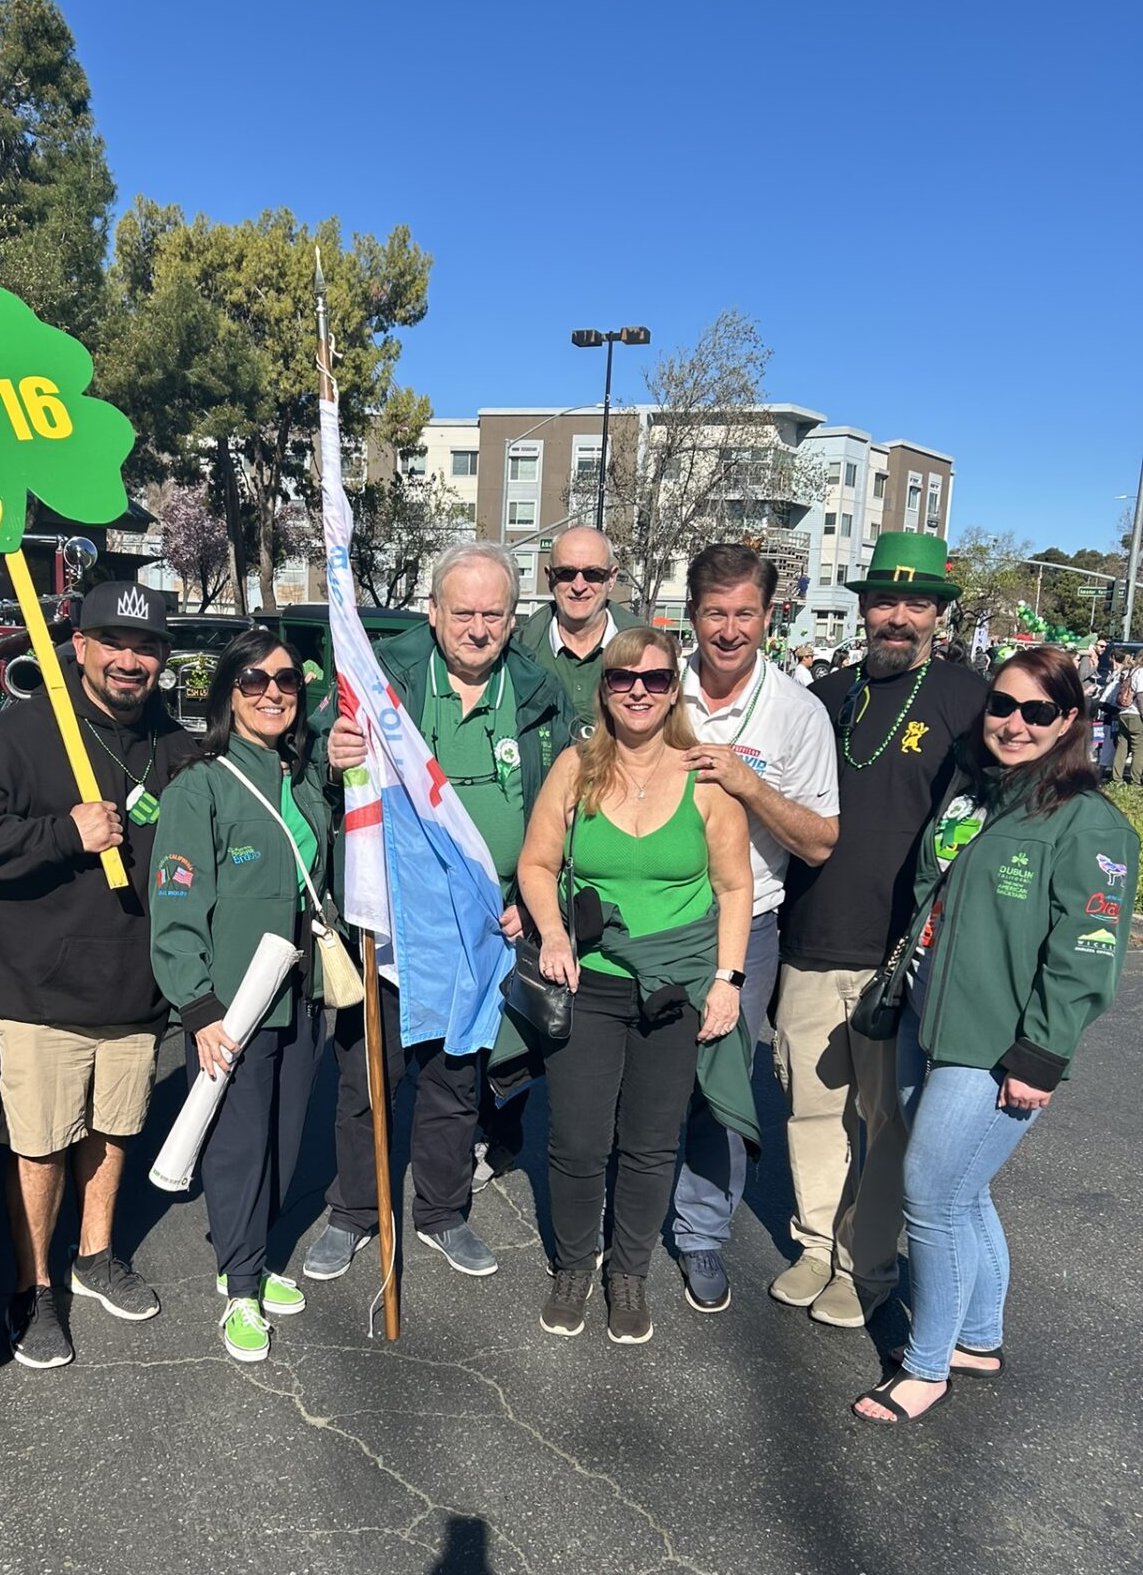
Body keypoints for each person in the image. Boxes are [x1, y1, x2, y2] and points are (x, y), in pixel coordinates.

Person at [853, 648, 1136, 1424]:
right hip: (926, 1020)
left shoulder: (1090, 825)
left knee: (932, 1197)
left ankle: (927, 1365)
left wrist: (1040, 1057)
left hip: (999, 1046)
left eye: (1037, 711)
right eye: (1003, 706)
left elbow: (1086, 956)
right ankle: (978, 1336)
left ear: (1070, 720)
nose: (1014, 724)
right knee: (962, 1191)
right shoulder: (975, 799)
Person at [0, 582, 191, 1369]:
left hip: (135, 986)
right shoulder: (24, 735)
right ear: (80, 647)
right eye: (112, 642)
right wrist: (59, 833)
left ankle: (97, 1254)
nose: (128, 660)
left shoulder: (172, 744)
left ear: (163, 660)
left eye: (145, 647)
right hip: (39, 988)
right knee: (39, 1145)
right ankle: (34, 1287)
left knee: (112, 1130)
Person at [305, 540, 570, 1282]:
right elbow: (313, 769)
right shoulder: (380, 675)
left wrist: (531, 897)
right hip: (390, 918)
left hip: (484, 926)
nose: (478, 627)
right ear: (433, 611)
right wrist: (332, 756)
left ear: (514, 619)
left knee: (456, 1080)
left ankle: (443, 1212)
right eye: (463, 611)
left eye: (494, 613)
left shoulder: (540, 693)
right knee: (368, 1081)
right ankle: (355, 1211)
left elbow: (561, 812)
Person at [772, 533, 988, 1328]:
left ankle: (866, 1259)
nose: (899, 618)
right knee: (811, 1109)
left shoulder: (969, 700)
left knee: (887, 1119)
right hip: (811, 934)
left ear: (937, 614)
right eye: (886, 602)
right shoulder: (823, 697)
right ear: (863, 609)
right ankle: (814, 1243)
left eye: (917, 604)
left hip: (901, 952)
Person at [517, 627, 756, 1346]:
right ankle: (574, 1266)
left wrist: (728, 981)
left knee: (651, 1143)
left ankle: (629, 1272)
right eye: (623, 679)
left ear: (673, 689)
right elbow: (535, 864)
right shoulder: (576, 767)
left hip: (677, 987)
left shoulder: (708, 776)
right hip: (591, 980)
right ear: (606, 688)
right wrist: (553, 934)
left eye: (654, 679)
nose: (639, 691)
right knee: (579, 1139)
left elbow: (735, 886)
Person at [149, 630, 331, 1364]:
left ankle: (251, 1253)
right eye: (254, 682)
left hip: (305, 991)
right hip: (235, 1002)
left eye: (286, 682)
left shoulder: (305, 779)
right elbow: (176, 901)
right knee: (236, 1146)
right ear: (228, 694)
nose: (272, 693)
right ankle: (240, 1288)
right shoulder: (203, 784)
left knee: (284, 1142)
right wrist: (196, 1005)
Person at [666, 545, 839, 1310]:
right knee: (633, 1081)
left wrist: (747, 781)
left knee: (720, 1092)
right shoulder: (650, 687)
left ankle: (701, 1232)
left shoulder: (798, 713)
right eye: (714, 612)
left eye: (744, 614)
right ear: (691, 614)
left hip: (745, 925)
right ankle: (626, 1216)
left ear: (770, 617)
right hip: (645, 921)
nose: (729, 630)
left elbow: (819, 840)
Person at [514, 526, 642, 736]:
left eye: (592, 574)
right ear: (549, 577)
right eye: (566, 573)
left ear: (611, 578)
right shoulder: (519, 652)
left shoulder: (647, 650)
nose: (579, 586)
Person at [1108, 651, 1143, 786]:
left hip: (1123, 713)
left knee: (1122, 747)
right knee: (1138, 749)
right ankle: (1135, 781)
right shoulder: (1142, 673)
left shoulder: (1130, 671)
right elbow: (1140, 697)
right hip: (1135, 714)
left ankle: (1116, 779)